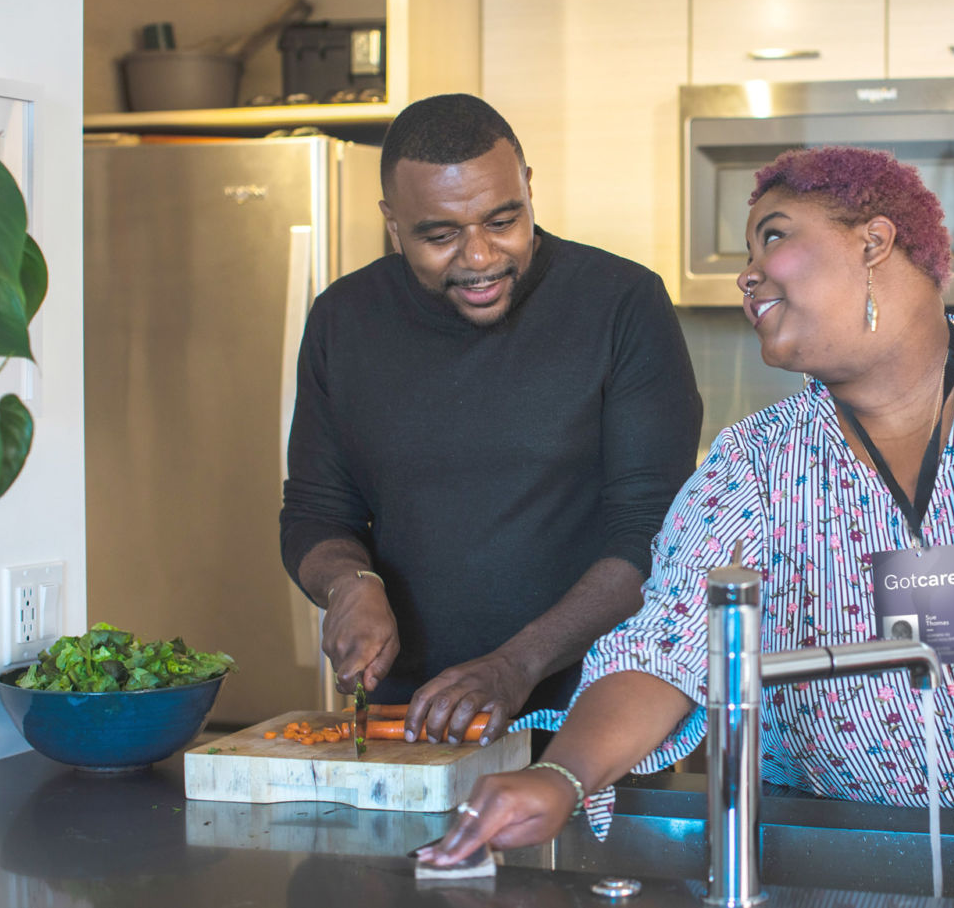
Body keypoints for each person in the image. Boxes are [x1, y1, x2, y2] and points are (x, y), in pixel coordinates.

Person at [417, 145, 954, 865]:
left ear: (876, 241)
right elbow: (669, 648)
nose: (747, 275)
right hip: (838, 849)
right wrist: (565, 775)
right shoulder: (757, 462)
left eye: (772, 238)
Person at [279, 94, 703, 745]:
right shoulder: (344, 319)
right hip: (410, 724)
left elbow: (654, 534)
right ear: (393, 223)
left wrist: (515, 664)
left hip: (596, 726)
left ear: (528, 188)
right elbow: (315, 511)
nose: (479, 257)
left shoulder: (621, 304)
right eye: (440, 235)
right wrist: (348, 584)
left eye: (503, 221)